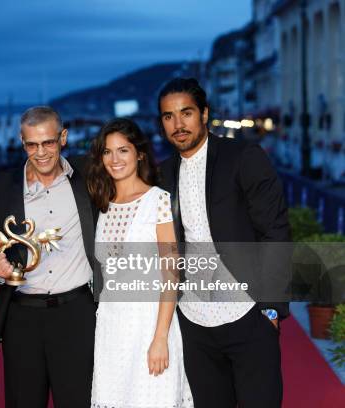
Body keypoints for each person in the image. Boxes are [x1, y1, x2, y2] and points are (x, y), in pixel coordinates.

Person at [158, 78, 290, 408]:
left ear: (204, 114)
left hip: (247, 313)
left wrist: (271, 306)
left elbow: (275, 232)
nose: (178, 124)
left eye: (186, 113)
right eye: (168, 116)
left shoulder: (243, 156)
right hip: (194, 322)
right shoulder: (162, 174)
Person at [0, 106, 98, 408]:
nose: (41, 152)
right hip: (22, 317)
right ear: (23, 143)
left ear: (63, 137)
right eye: (32, 144)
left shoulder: (88, 177)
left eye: (48, 142)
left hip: (77, 312)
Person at [87, 118, 193, 408]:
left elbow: (171, 275)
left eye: (123, 150)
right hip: (111, 328)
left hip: (149, 324)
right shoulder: (102, 204)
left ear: (140, 153)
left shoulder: (158, 200)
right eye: (107, 152)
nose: (114, 159)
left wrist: (160, 338)